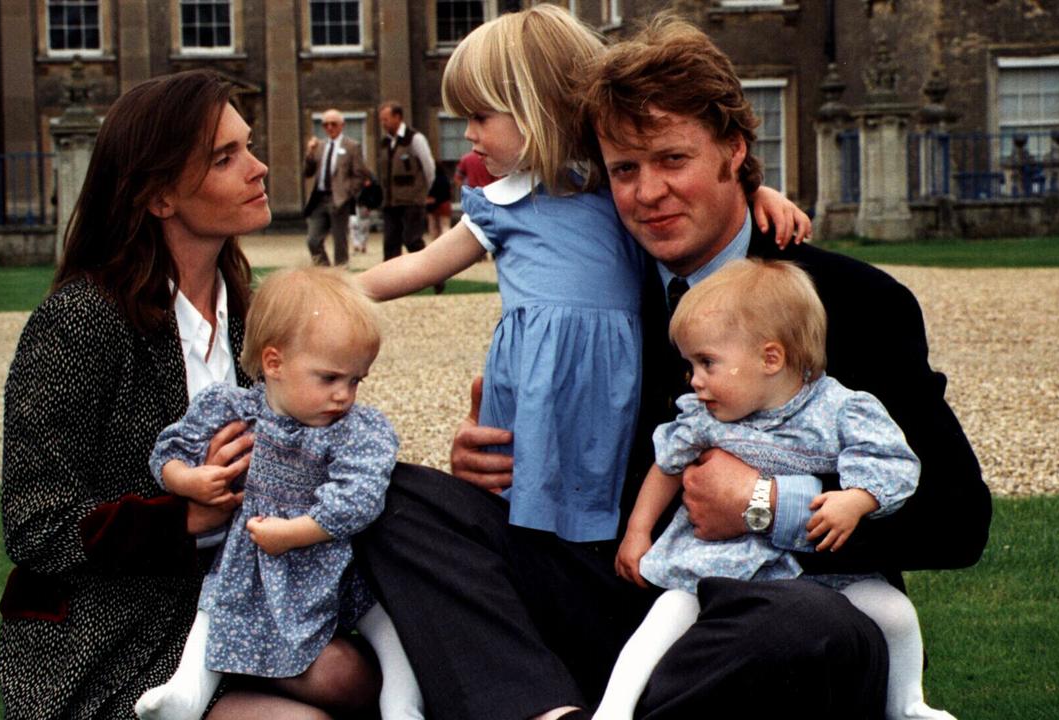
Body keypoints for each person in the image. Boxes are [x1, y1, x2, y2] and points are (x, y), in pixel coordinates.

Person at [354, 9, 815, 719]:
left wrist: (755, 190)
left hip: (670, 511)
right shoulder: (516, 205)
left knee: (780, 621)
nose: (469, 135)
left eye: (481, 116)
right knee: (397, 496)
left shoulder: (622, 205)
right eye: (630, 166)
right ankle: (536, 703)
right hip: (540, 420)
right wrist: (330, 293)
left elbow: (708, 202)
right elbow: (419, 266)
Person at [0, 68, 379, 720]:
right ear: (158, 197)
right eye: (224, 158)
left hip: (238, 594)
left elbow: (322, 439)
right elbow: (34, 524)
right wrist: (182, 518)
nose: (258, 168)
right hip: (111, 628)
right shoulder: (80, 323)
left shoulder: (254, 313)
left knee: (353, 679)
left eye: (249, 147)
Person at [596, 259, 952, 720]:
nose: (694, 380)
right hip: (713, 566)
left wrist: (857, 500)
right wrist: (637, 532)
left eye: (706, 362)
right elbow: (666, 466)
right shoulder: (705, 417)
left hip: (821, 576)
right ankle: (613, 709)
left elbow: (894, 464)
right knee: (667, 613)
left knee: (894, 611)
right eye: (691, 365)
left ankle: (907, 705)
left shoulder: (841, 410)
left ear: (771, 358)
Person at [135, 266, 422, 720]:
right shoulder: (234, 409)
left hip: (331, 560)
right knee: (213, 607)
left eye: (356, 380)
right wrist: (187, 481)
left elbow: (358, 499)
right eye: (330, 378)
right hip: (252, 563)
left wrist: (294, 533)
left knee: (388, 622)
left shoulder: (355, 432)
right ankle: (185, 693)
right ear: (274, 363)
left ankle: (403, 704)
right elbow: (170, 448)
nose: (344, 395)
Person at [303, 110, 369, 266]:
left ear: (342, 125)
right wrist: (310, 153)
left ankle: (341, 280)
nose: (329, 127)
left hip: (339, 199)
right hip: (319, 198)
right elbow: (307, 172)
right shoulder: (319, 146)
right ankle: (326, 274)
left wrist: (348, 192)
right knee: (313, 240)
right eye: (325, 124)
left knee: (340, 243)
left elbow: (360, 173)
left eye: (333, 124)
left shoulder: (352, 146)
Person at [376, 102, 436, 266]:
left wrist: (424, 192)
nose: (383, 124)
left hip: (412, 202)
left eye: (386, 119)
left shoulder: (415, 139)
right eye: (381, 120)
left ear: (398, 117)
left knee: (412, 241)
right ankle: (391, 284)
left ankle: (434, 275)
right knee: (390, 244)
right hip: (390, 202)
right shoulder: (384, 143)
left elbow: (428, 167)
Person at [425, 165, 452, 241]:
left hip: (431, 204)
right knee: (445, 225)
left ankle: (434, 243)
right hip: (444, 204)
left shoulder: (430, 180)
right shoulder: (445, 179)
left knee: (433, 226)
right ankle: (447, 242)